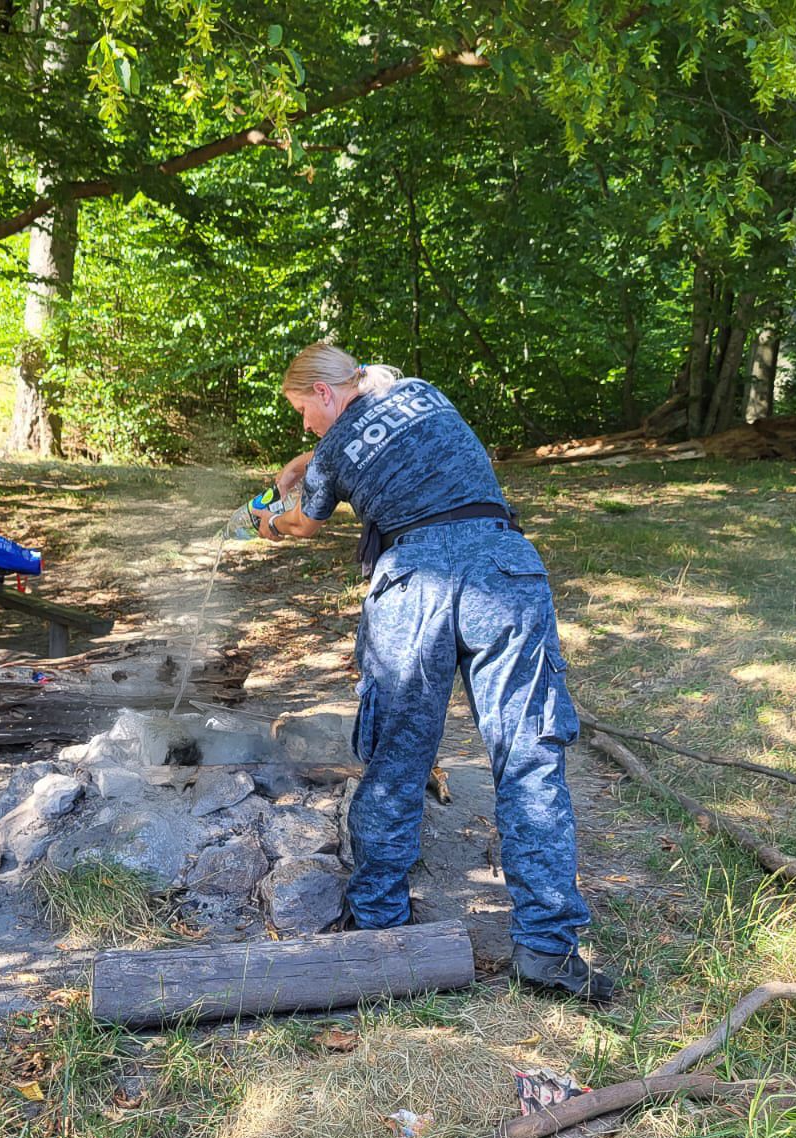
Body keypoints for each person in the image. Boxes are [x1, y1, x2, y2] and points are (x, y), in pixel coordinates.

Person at [259, 343, 614, 1002]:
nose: (307, 426)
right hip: (504, 567)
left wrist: (268, 519)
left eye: (304, 411)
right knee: (530, 759)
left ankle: (381, 930)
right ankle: (547, 952)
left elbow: (304, 524)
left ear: (326, 393)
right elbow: (379, 424)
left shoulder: (334, 450)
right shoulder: (420, 391)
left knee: (396, 759)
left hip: (416, 582)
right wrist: (304, 464)